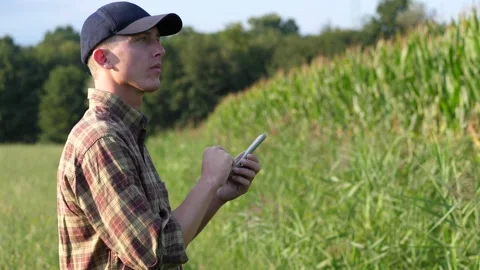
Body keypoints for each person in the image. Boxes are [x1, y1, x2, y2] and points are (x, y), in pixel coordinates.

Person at [56, 2, 262, 269]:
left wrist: (218, 194)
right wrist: (209, 180)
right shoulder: (102, 140)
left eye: (158, 40)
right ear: (103, 58)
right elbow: (153, 255)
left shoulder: (124, 132)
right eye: (142, 40)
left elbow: (169, 244)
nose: (160, 50)